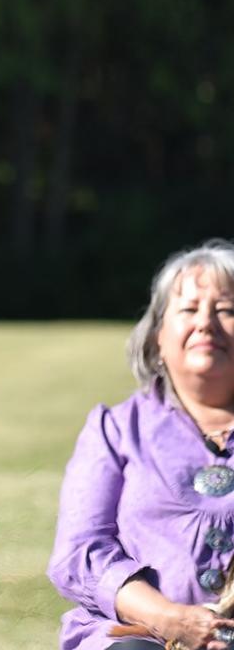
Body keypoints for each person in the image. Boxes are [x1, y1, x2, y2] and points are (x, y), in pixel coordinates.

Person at [50, 239, 234, 650]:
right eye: (188, 310)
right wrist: (170, 619)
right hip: (139, 637)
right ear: (157, 340)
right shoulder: (114, 430)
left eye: (227, 310)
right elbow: (81, 553)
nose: (206, 323)